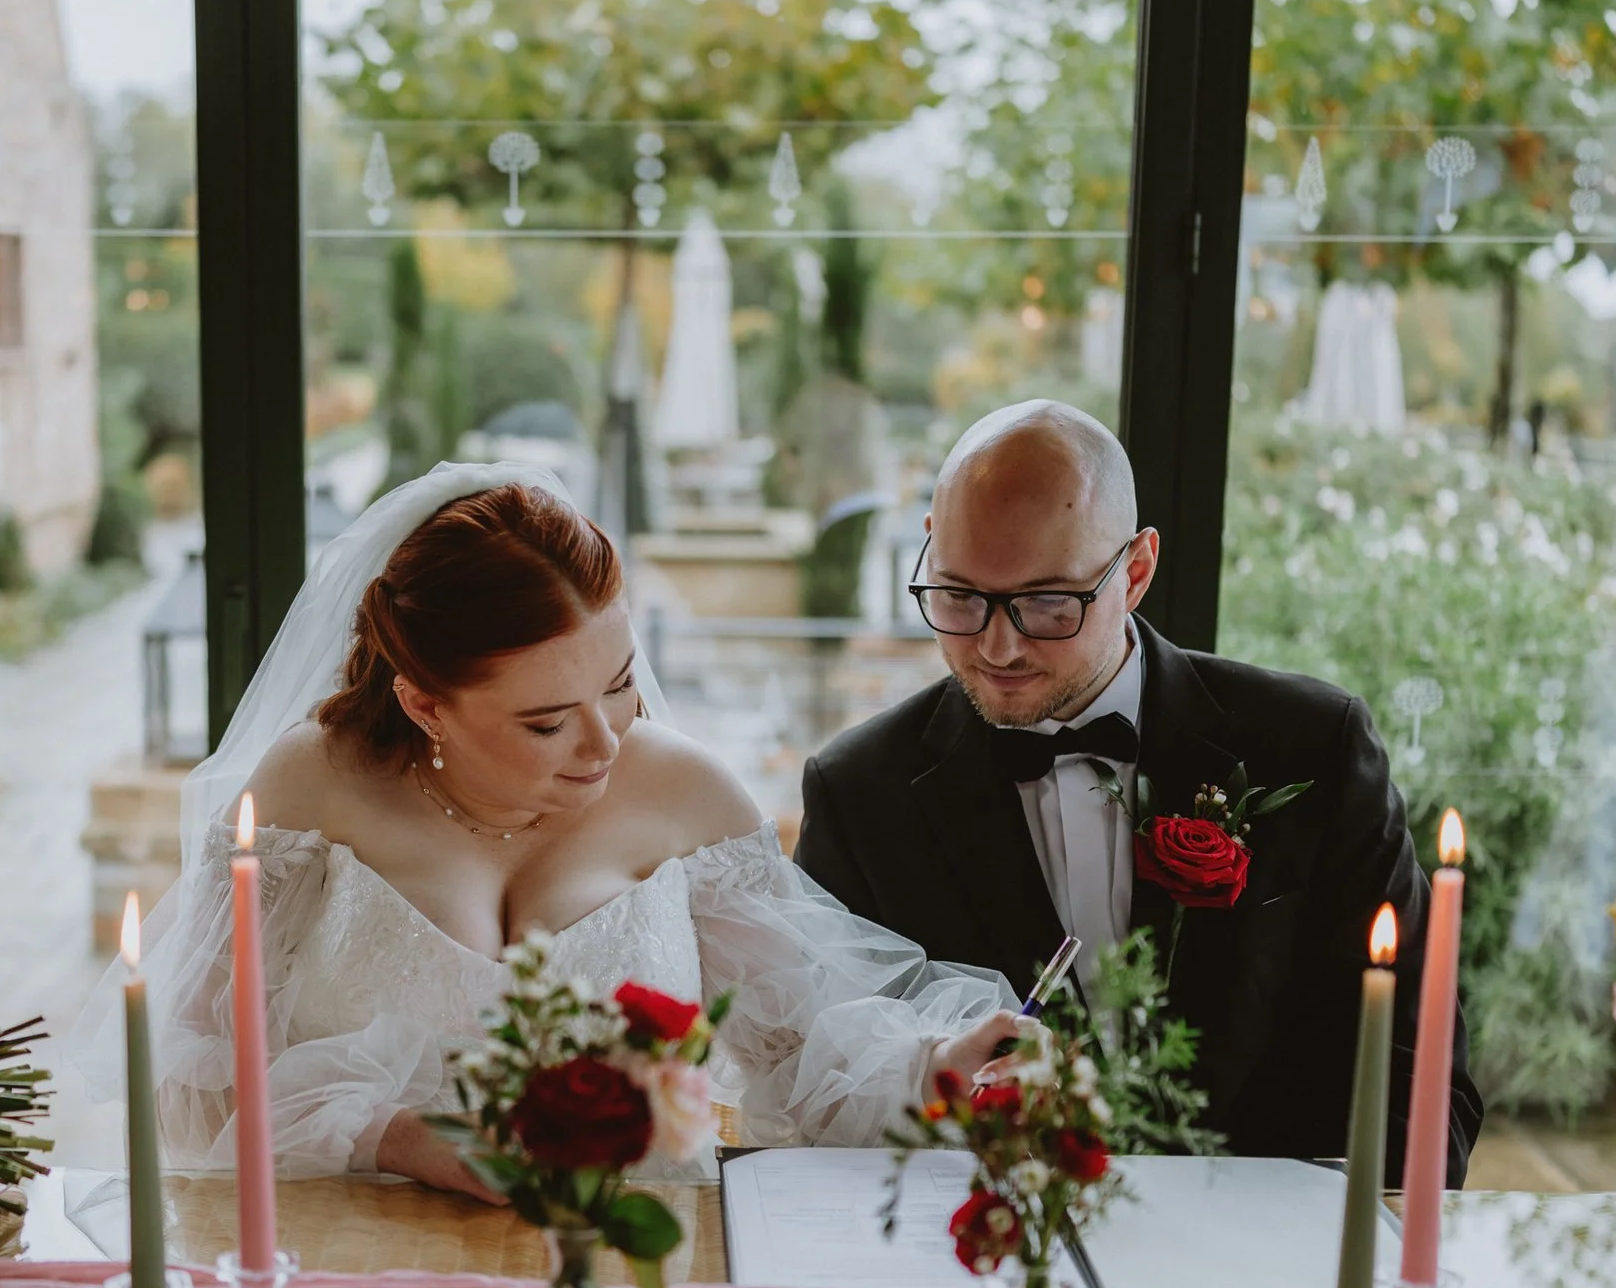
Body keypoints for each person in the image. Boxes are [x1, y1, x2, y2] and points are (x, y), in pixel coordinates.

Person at [68, 463, 1020, 1200]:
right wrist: (395, 1137)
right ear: (423, 703)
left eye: (619, 682)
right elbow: (189, 1087)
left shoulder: (688, 797)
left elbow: (803, 1058)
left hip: (627, 1272)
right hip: (362, 1267)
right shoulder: (309, 789)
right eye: (545, 720)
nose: (608, 740)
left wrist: (933, 1072)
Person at [796, 401, 1484, 1183]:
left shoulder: (1313, 748)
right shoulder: (860, 795)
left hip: (1269, 1267)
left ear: (1136, 572)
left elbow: (1419, 1083)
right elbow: (823, 1095)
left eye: (1048, 603)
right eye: (958, 596)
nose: (997, 645)